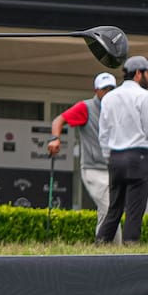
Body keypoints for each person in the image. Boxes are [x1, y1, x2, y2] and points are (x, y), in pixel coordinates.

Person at [95, 56, 148, 243]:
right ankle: (131, 248)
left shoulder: (109, 97)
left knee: (114, 209)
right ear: (138, 73)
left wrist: (109, 157)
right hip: (138, 157)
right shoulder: (144, 96)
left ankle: (99, 246)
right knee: (134, 210)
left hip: (115, 158)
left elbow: (103, 133)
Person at [47, 72, 117, 239]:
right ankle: (115, 250)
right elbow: (58, 120)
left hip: (113, 169)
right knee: (111, 210)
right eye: (104, 89)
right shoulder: (85, 107)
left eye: (111, 89)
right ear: (96, 91)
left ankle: (103, 249)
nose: (108, 92)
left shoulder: (117, 109)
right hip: (93, 169)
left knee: (106, 211)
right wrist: (56, 138)